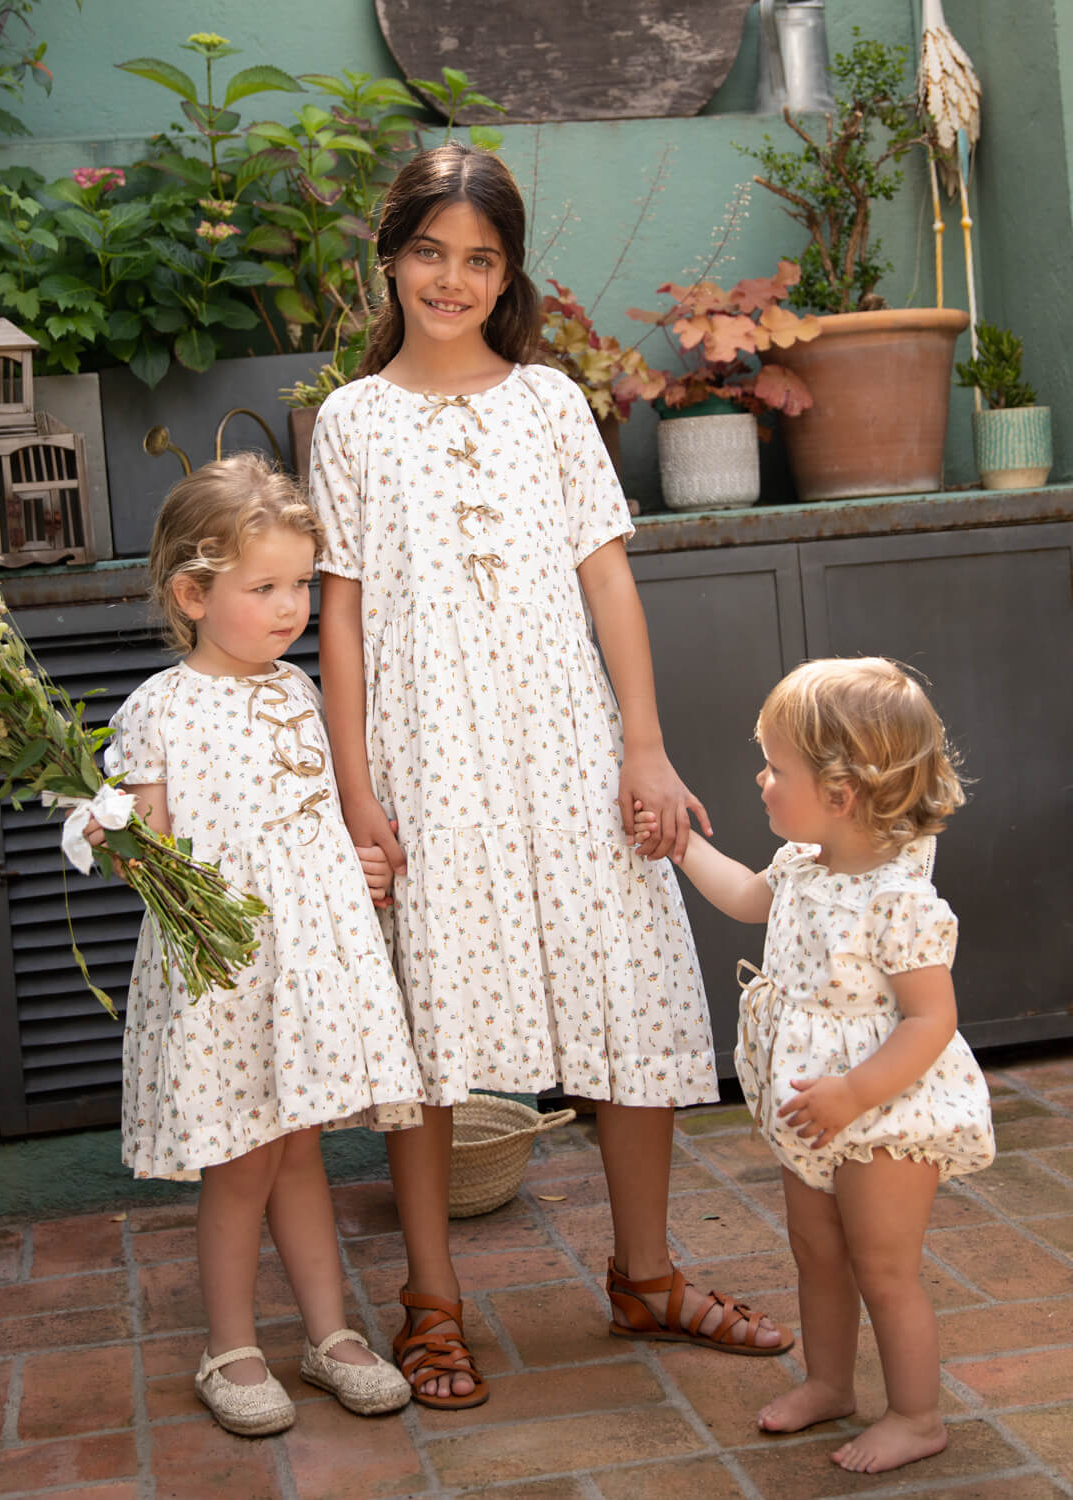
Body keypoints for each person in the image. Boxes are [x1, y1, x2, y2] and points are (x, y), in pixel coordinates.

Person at [310, 141, 793, 1412]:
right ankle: (431, 1303)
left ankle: (645, 1275)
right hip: (422, 754)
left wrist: (643, 740)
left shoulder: (549, 404)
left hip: (568, 739)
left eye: (479, 258)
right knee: (428, 1030)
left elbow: (608, 579)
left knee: (628, 989)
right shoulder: (352, 421)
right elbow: (342, 619)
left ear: (509, 271)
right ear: (393, 256)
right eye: (429, 252)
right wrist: (356, 787)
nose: (451, 279)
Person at [85, 454, 424, 1435]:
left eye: (301, 587)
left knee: (302, 1150)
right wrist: (119, 837)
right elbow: (144, 856)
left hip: (302, 966)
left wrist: (350, 870)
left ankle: (330, 1334)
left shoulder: (298, 694)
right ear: (194, 594)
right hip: (225, 972)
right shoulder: (160, 708)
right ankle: (228, 1346)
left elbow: (312, 823)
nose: (291, 608)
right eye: (264, 587)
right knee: (241, 1162)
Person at [676, 656, 995, 1474]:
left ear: (841, 794)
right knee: (816, 1251)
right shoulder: (802, 867)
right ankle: (828, 1383)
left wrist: (855, 1092)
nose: (760, 779)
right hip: (812, 1106)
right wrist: (681, 851)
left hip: (881, 1108)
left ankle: (917, 1415)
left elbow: (933, 1019)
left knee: (883, 1267)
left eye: (776, 768)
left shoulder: (899, 898)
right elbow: (749, 897)